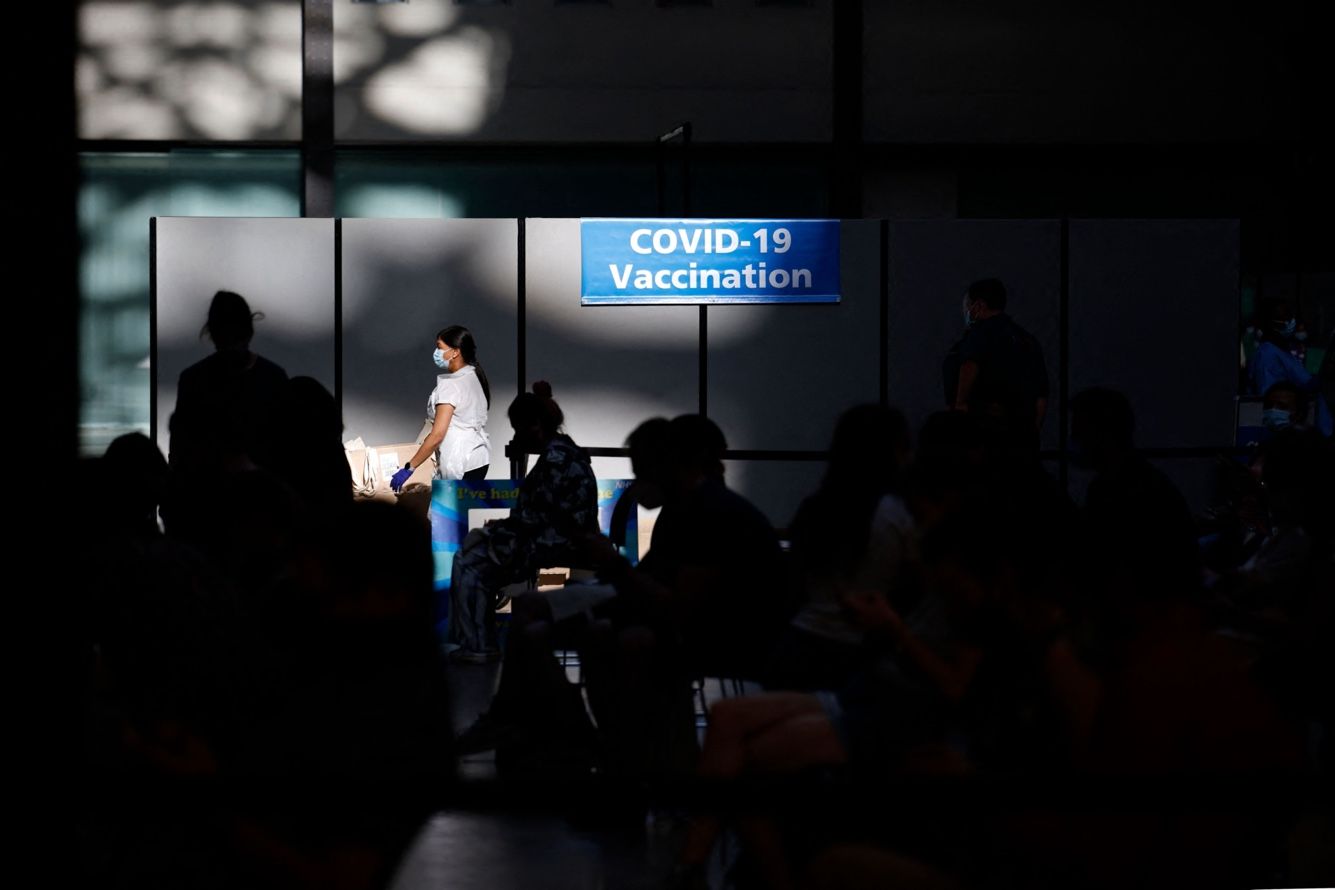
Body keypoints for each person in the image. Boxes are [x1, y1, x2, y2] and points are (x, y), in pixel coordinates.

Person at [444, 382, 598, 663]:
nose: (516, 436)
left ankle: (478, 645)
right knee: (478, 549)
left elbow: (538, 517)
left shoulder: (555, 461)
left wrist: (496, 529)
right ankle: (478, 640)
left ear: (535, 426)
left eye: (518, 428)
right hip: (560, 535)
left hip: (557, 540)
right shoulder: (565, 451)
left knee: (469, 561)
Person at [943, 278, 1049, 442]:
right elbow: (1041, 395)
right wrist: (1032, 434)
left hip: (983, 429)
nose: (966, 311)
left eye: (967, 305)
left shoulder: (980, 333)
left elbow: (970, 363)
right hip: (1020, 433)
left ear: (978, 305)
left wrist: (960, 405)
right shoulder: (1027, 340)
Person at [390, 325, 492, 491]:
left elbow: (438, 434)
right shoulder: (473, 378)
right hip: (478, 458)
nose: (436, 353)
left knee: (446, 508)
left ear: (455, 352)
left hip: (458, 462)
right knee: (462, 507)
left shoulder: (451, 386)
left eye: (439, 347)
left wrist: (409, 468)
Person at [1248, 301, 1332, 436]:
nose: (1292, 321)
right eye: (1285, 317)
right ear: (1271, 323)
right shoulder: (1267, 354)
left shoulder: (1283, 351)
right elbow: (1272, 395)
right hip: (1287, 426)